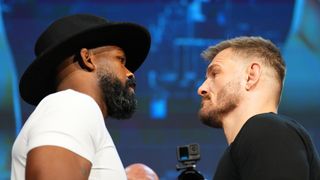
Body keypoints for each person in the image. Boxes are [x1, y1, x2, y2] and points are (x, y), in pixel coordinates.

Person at [11, 14, 151, 179]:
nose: (130, 73)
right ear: (87, 58)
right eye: (120, 60)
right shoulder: (72, 105)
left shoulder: (71, 110)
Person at [197, 36, 320, 180]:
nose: (201, 88)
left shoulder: (267, 129)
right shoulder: (257, 139)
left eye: (215, 73)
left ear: (251, 76)